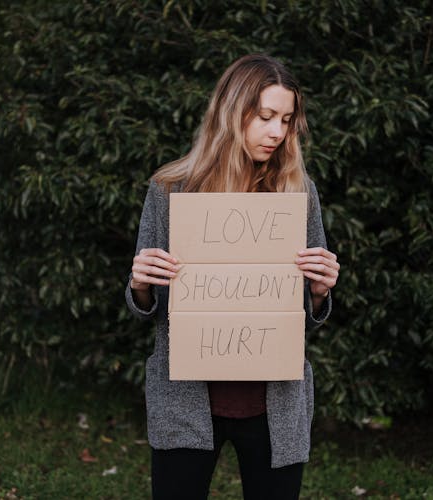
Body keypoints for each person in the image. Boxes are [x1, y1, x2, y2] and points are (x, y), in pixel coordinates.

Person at [125, 54, 340, 500]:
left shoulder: (297, 193)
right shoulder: (170, 192)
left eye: (286, 119)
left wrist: (320, 292)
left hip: (273, 404)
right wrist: (140, 284)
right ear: (231, 112)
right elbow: (146, 307)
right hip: (186, 402)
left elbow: (308, 313)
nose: (277, 132)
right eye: (265, 117)